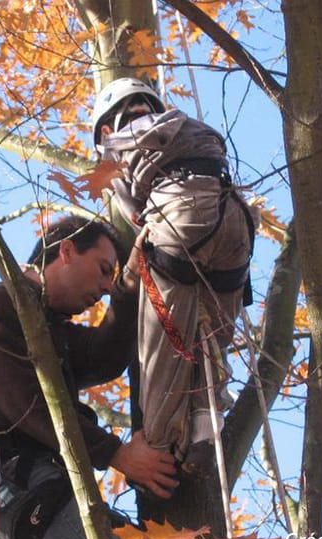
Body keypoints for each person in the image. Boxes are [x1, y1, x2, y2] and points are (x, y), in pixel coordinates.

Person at [0, 215, 178, 539]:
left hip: (41, 485)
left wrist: (129, 287)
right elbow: (27, 406)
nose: (104, 287)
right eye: (102, 270)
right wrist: (117, 453)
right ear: (67, 251)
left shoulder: (54, 333)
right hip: (14, 478)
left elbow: (105, 356)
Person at [92, 77, 257, 476]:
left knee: (163, 354)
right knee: (214, 339)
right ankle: (204, 429)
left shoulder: (115, 148)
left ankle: (163, 450)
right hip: (236, 222)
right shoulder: (185, 125)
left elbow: (137, 216)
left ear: (106, 128)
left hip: (180, 218)